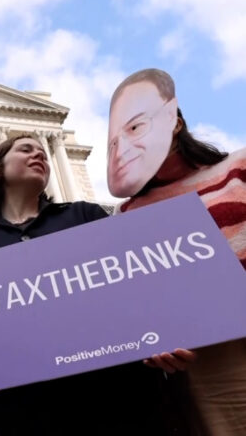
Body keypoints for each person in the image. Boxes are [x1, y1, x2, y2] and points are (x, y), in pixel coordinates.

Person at [0, 135, 186, 435]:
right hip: (29, 412)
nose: (39, 155)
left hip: (119, 399)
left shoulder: (86, 216)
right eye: (26, 149)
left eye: (43, 152)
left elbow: (136, 290)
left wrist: (162, 335)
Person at [110, 68, 246, 435]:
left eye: (137, 126)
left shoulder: (238, 167)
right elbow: (139, 300)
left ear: (174, 122)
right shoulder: (128, 215)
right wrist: (152, 337)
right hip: (214, 362)